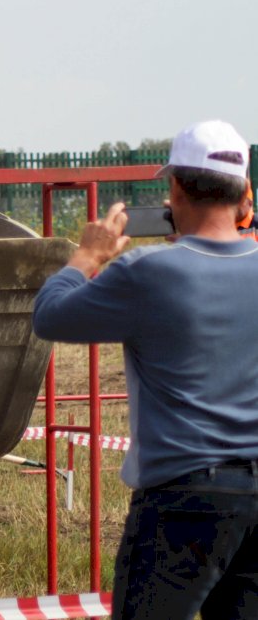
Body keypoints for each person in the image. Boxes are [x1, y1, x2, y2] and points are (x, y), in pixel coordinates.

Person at [32, 119, 258, 620]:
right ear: (244, 193)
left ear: (174, 188)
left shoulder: (149, 272)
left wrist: (87, 255)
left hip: (183, 497)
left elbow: (49, 316)